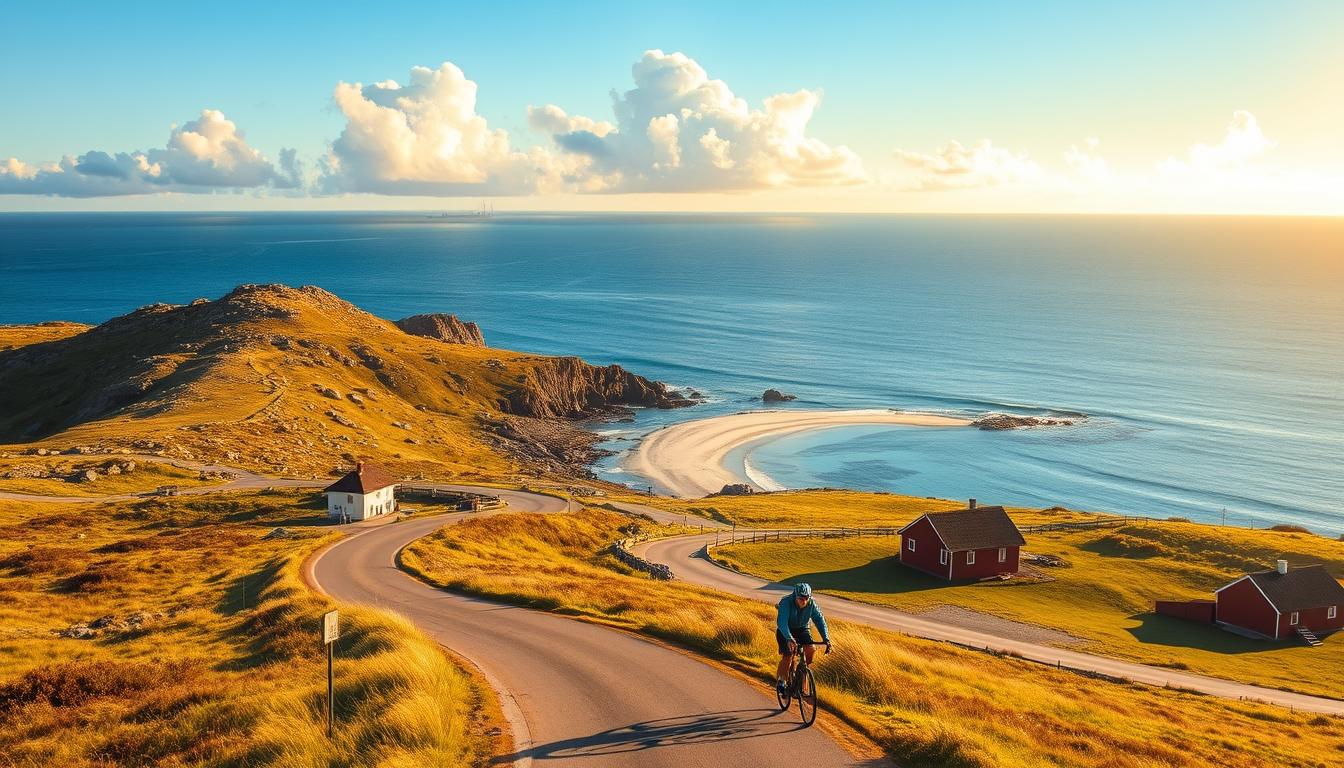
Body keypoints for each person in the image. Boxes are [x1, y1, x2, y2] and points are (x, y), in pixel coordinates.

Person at [775, 583, 831, 694]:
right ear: (795, 595)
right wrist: (789, 638)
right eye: (801, 598)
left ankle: (802, 675)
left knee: (811, 649)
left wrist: (826, 638)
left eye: (806, 598)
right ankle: (781, 681)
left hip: (802, 629)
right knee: (788, 655)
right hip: (785, 630)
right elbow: (782, 623)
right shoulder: (786, 602)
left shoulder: (811, 604)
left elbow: (819, 620)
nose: (804, 601)